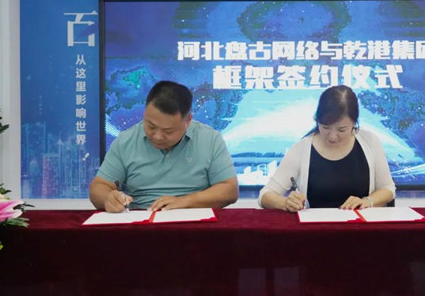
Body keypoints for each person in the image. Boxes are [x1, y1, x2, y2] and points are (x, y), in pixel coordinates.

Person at [89, 81, 238, 212]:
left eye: (168, 131)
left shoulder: (210, 139)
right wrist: (108, 198)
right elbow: (99, 187)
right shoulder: (126, 140)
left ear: (188, 120)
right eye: (151, 126)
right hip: (142, 220)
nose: (157, 136)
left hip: (194, 220)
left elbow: (229, 189)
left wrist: (185, 201)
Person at [259, 85, 395, 212]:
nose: (332, 137)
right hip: (316, 227)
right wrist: (285, 203)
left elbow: (388, 189)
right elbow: (265, 195)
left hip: (361, 226)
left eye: (342, 129)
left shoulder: (369, 142)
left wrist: (367, 201)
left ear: (354, 122)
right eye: (325, 127)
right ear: (317, 120)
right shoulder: (302, 149)